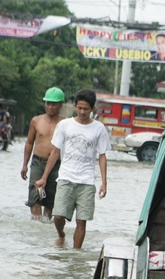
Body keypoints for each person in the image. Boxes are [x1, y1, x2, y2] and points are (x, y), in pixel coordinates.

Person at [35, 89, 110, 248]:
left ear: (93, 109)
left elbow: (102, 156)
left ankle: (75, 254)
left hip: (87, 181)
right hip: (66, 177)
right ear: (75, 106)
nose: (82, 112)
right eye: (80, 108)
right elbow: (55, 152)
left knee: (81, 221)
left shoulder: (99, 128)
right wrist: (44, 177)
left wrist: (104, 182)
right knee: (58, 216)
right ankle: (61, 234)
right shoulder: (65, 125)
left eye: (86, 109)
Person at [21, 87, 66, 221]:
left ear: (60, 105)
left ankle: (47, 226)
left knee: (50, 198)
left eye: (54, 104)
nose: (50, 107)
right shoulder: (36, 121)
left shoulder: (65, 123)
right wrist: (25, 164)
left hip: (56, 165)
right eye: (48, 103)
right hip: (37, 162)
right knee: (35, 195)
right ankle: (36, 225)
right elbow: (29, 143)